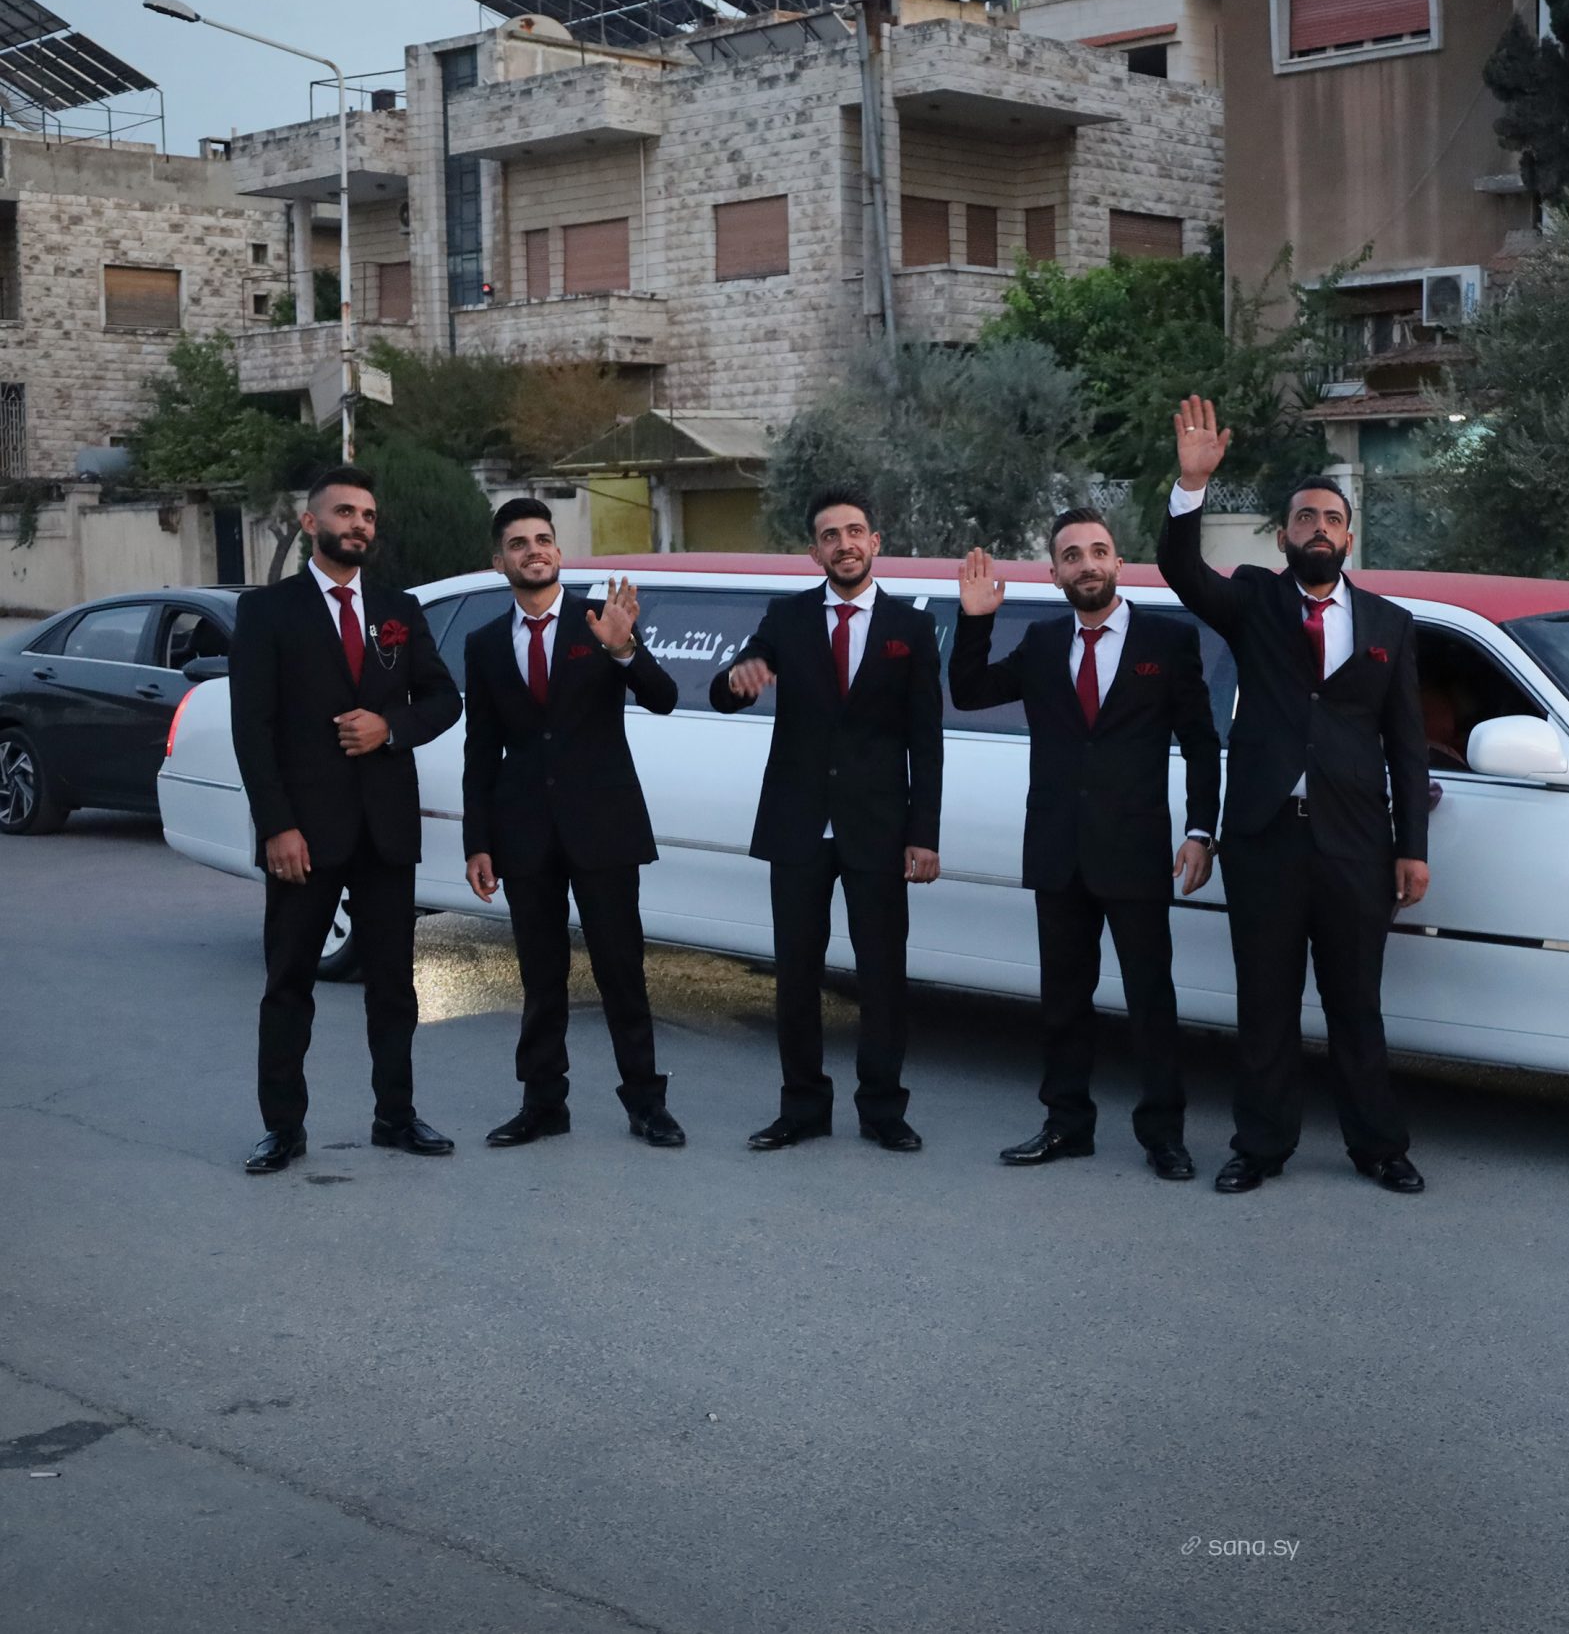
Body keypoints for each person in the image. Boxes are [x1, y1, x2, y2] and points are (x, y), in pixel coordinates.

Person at [1156, 397, 1433, 1196]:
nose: (1318, 527)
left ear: (1349, 538)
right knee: (1266, 1003)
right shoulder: (1253, 601)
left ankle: (1378, 1146)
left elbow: (1407, 746)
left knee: (1357, 1005)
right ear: (1283, 537)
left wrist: (1411, 848)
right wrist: (1191, 485)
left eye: (1331, 519)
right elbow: (1181, 572)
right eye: (1305, 517)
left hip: (1356, 845)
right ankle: (1260, 1144)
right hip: (1266, 838)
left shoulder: (1390, 624)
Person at [948, 510, 1221, 1181]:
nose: (1087, 563)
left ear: (1118, 563)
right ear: (1055, 574)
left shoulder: (1169, 640)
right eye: (1071, 555)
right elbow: (969, 691)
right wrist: (975, 620)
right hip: (1058, 850)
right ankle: (1066, 1124)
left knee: (1150, 1000)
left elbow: (1200, 742)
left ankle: (1164, 1134)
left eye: (1098, 551)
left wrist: (1200, 830)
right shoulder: (1042, 642)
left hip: (1136, 851)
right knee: (1063, 1000)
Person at [230, 465, 462, 1175]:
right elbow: (253, 729)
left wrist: (390, 728)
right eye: (345, 512)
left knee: (393, 985)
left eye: (368, 515)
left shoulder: (398, 609)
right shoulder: (268, 611)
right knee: (289, 983)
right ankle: (282, 1128)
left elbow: (443, 699)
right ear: (311, 523)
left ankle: (396, 1115)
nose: (359, 524)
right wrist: (277, 826)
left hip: (385, 830)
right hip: (304, 832)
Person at [711, 491, 943, 1153]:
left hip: (879, 828)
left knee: (882, 976)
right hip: (799, 824)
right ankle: (803, 1106)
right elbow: (725, 692)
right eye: (830, 535)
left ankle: (882, 1109)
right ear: (814, 551)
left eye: (855, 531)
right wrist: (739, 678)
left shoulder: (911, 627)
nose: (844, 544)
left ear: (875, 542)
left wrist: (923, 834)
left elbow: (926, 740)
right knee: (795, 975)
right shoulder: (785, 618)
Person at [461, 497, 686, 1149]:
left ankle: (646, 1102)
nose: (533, 551)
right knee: (540, 975)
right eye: (519, 543)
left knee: (621, 970)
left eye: (543, 540)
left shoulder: (600, 620)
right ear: (500, 561)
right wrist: (479, 841)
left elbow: (664, 698)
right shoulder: (483, 644)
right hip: (524, 832)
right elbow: (482, 750)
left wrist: (624, 649)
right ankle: (543, 1103)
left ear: (558, 551)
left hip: (604, 826)